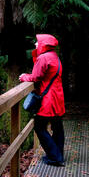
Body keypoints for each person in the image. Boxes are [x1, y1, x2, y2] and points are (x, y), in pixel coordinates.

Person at [19, 34, 65, 166]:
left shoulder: (44, 57)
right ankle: (58, 154)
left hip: (48, 98)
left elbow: (36, 76)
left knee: (39, 126)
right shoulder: (54, 56)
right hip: (57, 96)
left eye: (37, 42)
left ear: (44, 45)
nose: (35, 45)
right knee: (57, 126)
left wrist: (23, 77)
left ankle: (55, 157)